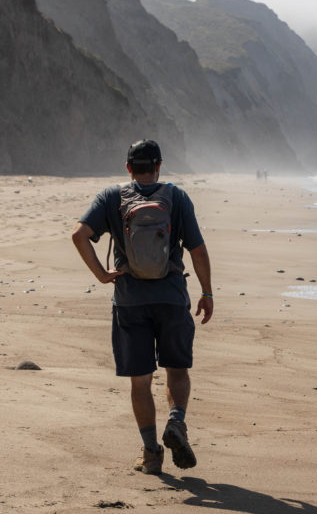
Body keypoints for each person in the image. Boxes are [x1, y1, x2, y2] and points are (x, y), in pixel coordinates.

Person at [71, 139, 213, 475]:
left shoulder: (112, 197)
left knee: (140, 381)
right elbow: (198, 250)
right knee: (176, 370)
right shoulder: (176, 197)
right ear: (160, 166)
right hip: (172, 298)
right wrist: (207, 292)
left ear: (128, 167)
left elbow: (79, 234)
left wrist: (102, 274)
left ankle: (151, 453)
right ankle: (176, 421)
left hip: (130, 301)